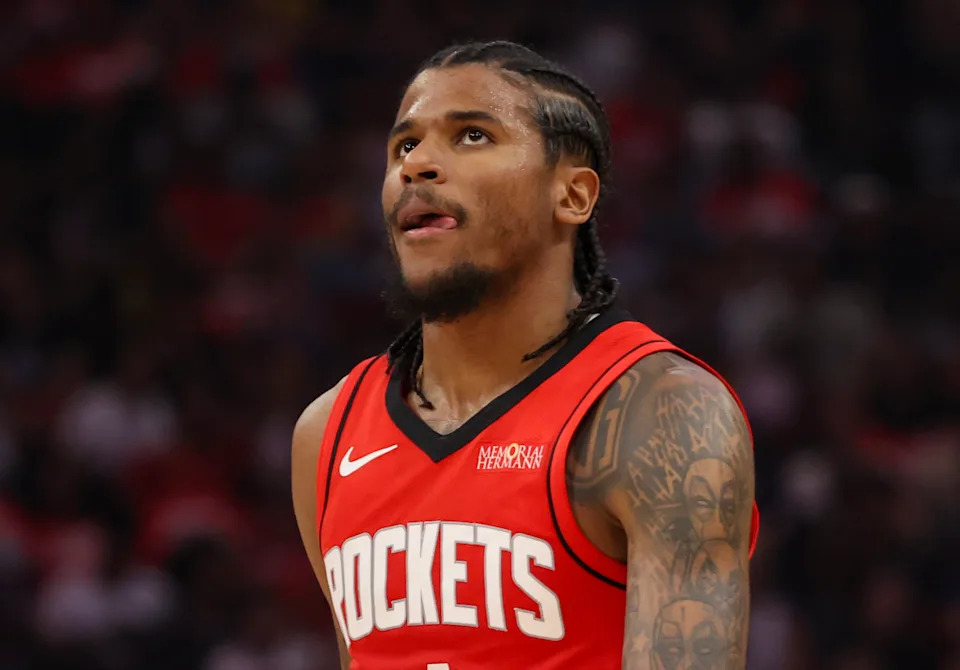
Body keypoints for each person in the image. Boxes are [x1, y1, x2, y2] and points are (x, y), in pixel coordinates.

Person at [292, 41, 759, 670]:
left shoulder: (657, 414)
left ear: (572, 196)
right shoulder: (327, 433)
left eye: (473, 136)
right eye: (404, 146)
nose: (418, 165)